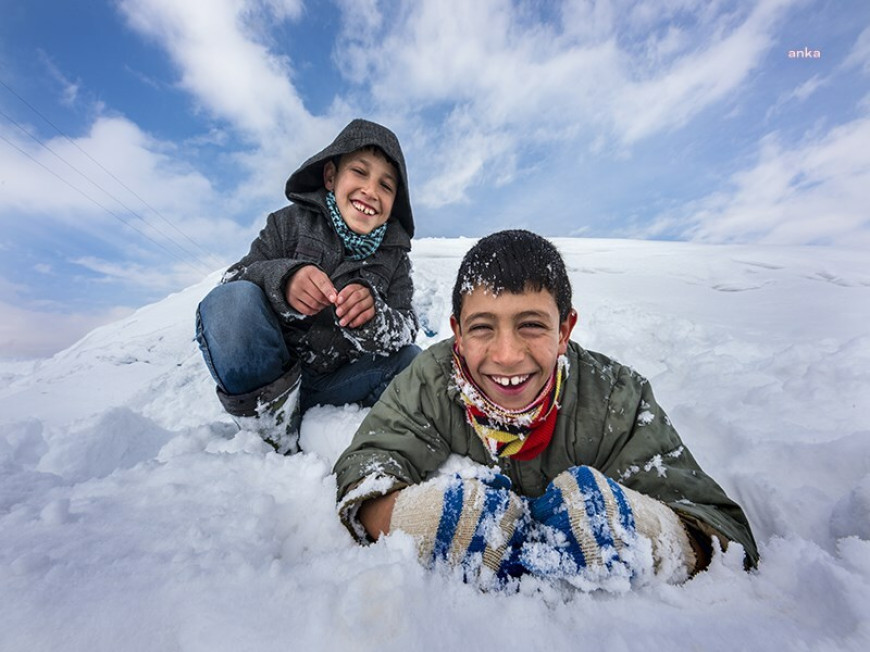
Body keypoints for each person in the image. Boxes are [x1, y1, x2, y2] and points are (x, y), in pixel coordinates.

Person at [333, 229, 758, 590]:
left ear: (564, 331)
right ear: (457, 334)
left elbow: (725, 537)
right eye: (482, 327)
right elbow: (366, 469)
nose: (507, 355)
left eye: (532, 325)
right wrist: (423, 519)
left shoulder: (617, 398)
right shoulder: (431, 380)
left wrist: (640, 529)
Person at [196, 119, 420, 454]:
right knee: (230, 304)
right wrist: (284, 280)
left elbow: (407, 328)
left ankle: (368, 434)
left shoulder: (396, 260)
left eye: (386, 186)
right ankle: (274, 434)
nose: (371, 191)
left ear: (393, 205)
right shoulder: (287, 223)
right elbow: (232, 282)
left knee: (413, 362)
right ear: (330, 177)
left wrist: (375, 317)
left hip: (338, 385)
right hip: (272, 376)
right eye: (359, 172)